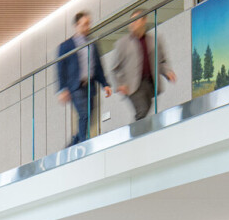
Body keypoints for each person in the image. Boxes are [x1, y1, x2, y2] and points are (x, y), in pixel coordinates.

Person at [55, 11, 110, 146]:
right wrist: (62, 89)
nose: (87, 27)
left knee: (89, 115)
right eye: (84, 24)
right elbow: (60, 68)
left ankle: (74, 142)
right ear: (76, 25)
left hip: (90, 85)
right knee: (84, 114)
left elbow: (98, 67)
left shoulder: (92, 44)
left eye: (88, 24)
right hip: (75, 86)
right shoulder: (66, 46)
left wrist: (105, 84)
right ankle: (83, 143)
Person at [111, 10, 176, 121]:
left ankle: (137, 133)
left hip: (150, 83)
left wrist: (168, 72)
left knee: (144, 111)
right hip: (132, 85)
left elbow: (161, 61)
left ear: (144, 21)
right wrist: (120, 84)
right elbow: (114, 68)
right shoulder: (123, 43)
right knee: (142, 109)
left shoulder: (154, 40)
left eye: (136, 20)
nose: (133, 23)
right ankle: (137, 136)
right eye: (131, 21)